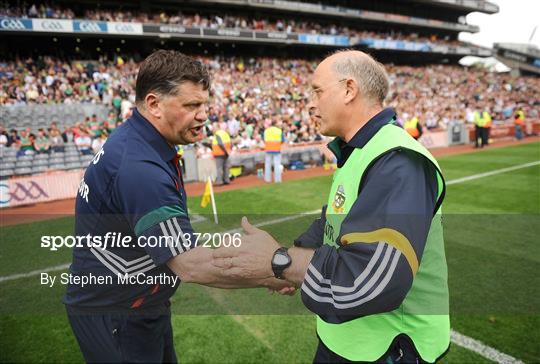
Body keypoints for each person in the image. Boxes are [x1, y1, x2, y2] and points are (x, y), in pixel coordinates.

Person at [213, 50, 450, 363]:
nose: (309, 103)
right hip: (347, 342)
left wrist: (280, 262)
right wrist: (289, 262)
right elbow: (331, 225)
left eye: (317, 91)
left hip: (387, 348)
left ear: (349, 90)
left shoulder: (396, 159)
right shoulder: (358, 150)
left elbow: (370, 283)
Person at [64, 50, 289, 363]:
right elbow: (191, 264)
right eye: (192, 105)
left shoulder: (140, 142)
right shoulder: (140, 168)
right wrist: (273, 271)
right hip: (118, 313)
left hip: (139, 303)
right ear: (154, 104)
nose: (203, 115)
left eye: (204, 104)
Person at [263, 118, 285, 183]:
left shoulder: (266, 130)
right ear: (275, 124)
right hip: (276, 149)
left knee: (267, 164)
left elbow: (264, 140)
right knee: (277, 164)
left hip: (268, 149)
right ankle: (277, 180)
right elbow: (282, 140)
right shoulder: (279, 130)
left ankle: (267, 179)